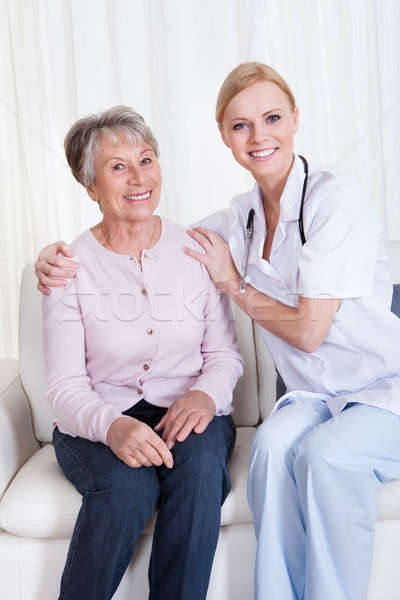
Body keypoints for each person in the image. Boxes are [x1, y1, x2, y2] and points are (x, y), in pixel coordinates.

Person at [34, 62, 400, 600]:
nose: (258, 136)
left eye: (272, 117)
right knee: (270, 451)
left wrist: (212, 369)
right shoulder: (233, 221)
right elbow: (159, 239)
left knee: (310, 461)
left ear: (295, 118)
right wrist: (49, 256)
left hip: (380, 387)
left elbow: (299, 334)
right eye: (240, 125)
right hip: (310, 396)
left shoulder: (335, 200)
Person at [40, 105, 243, 600]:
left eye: (146, 160)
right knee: (127, 489)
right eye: (117, 167)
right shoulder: (69, 266)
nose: (138, 178)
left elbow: (225, 355)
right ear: (91, 187)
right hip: (99, 416)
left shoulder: (197, 249)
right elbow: (65, 387)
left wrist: (203, 398)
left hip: (190, 408)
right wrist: (113, 425)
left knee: (198, 479)